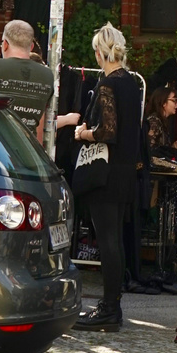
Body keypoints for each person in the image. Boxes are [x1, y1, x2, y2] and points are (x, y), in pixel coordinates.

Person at [72, 23, 142, 331]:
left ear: (100, 53)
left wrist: (83, 133)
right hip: (125, 171)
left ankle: (108, 309)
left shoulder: (107, 85)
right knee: (115, 240)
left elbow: (107, 131)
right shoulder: (133, 83)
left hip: (106, 171)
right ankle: (112, 305)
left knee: (108, 241)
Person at [0, 19, 54, 142]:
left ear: (5, 44)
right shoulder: (47, 75)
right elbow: (39, 123)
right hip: (26, 151)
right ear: (32, 47)